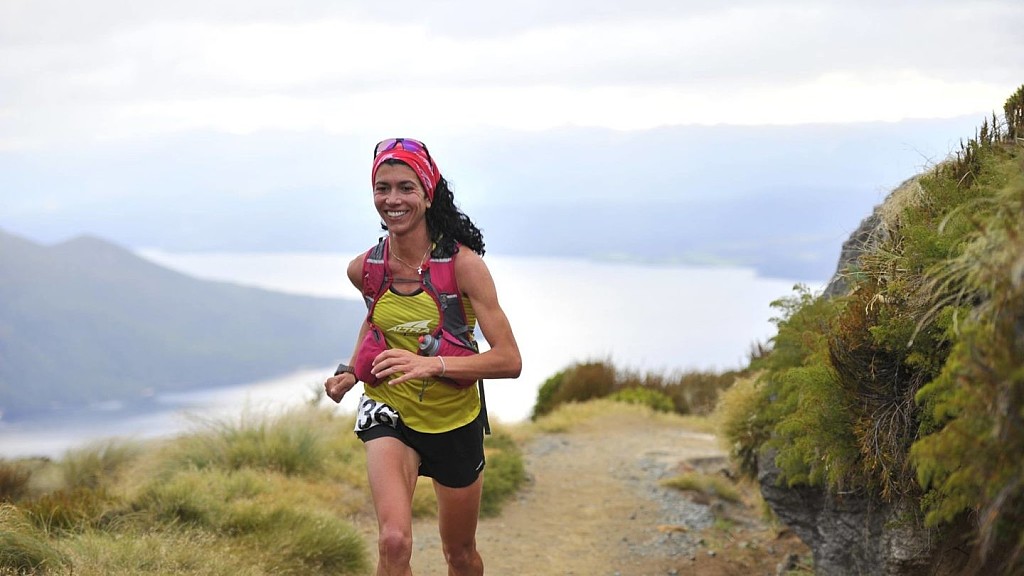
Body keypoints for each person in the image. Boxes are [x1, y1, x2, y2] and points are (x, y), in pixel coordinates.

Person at [324, 137, 522, 576]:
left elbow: (510, 360)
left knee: (460, 555)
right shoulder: (365, 269)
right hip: (389, 408)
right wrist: (352, 372)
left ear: (428, 195)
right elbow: (377, 322)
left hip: (453, 419)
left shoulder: (464, 267)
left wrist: (433, 364)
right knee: (393, 543)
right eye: (382, 188)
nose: (392, 199)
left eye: (406, 188)